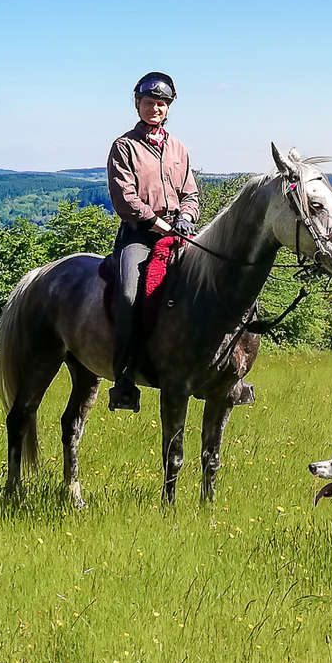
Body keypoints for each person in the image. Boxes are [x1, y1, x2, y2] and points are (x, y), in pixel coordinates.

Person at [104, 71, 199, 412]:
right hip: (140, 236)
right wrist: (157, 222)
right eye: (149, 103)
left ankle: (224, 369)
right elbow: (124, 198)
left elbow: (190, 192)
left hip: (180, 233)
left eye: (161, 104)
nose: (155, 109)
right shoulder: (124, 146)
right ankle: (125, 378)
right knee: (129, 294)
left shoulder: (178, 148)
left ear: (169, 108)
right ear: (137, 105)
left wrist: (187, 216)